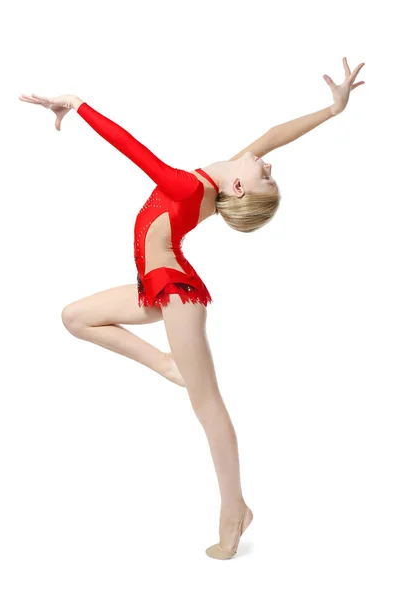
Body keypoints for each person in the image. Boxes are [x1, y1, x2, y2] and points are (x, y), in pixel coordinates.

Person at [18, 57, 365, 559]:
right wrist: (332, 111)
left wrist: (79, 105)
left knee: (207, 406)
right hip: (154, 287)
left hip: (177, 294)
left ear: (239, 189)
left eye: (265, 175)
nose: (267, 162)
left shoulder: (188, 186)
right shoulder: (220, 176)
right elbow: (275, 134)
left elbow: (134, 151)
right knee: (75, 317)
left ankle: (234, 510)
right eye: (267, 169)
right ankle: (167, 365)